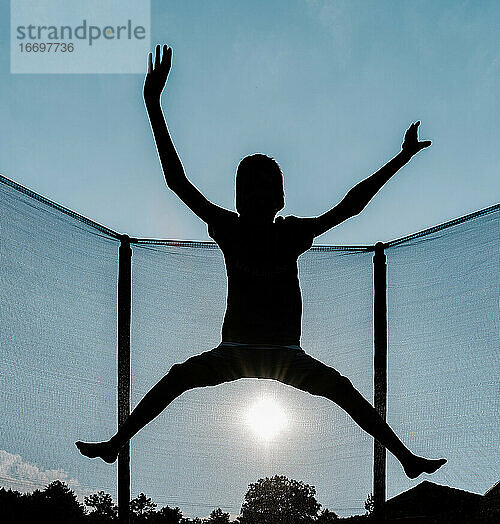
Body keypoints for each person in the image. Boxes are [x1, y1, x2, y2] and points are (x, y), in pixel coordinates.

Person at [77, 45, 446, 479]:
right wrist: (153, 105)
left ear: (279, 199)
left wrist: (400, 159)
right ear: (237, 197)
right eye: (245, 187)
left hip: (285, 354)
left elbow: (351, 206)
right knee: (178, 376)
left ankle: (404, 457)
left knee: (341, 389)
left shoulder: (290, 233)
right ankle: (116, 443)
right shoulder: (229, 227)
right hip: (234, 351)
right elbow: (177, 181)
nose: (252, 194)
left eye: (261, 187)